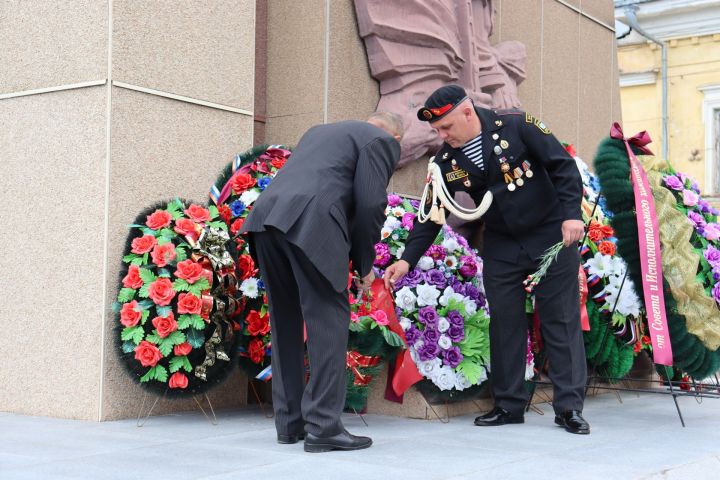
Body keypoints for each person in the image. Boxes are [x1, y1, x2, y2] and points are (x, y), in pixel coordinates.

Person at [383, 85, 590, 435]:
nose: (442, 136)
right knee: (505, 324)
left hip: (549, 233)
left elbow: (563, 167)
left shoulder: (517, 126)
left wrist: (572, 215)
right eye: (437, 131)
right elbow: (432, 215)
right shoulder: (446, 163)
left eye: (446, 127)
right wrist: (406, 260)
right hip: (503, 244)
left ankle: (569, 408)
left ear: (467, 112)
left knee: (560, 320)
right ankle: (508, 405)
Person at [242, 112, 403, 452]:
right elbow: (372, 203)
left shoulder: (319, 131)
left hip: (266, 219)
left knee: (284, 321)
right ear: (395, 138)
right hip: (311, 223)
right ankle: (324, 426)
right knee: (328, 319)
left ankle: (289, 424)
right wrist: (364, 264)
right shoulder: (382, 141)